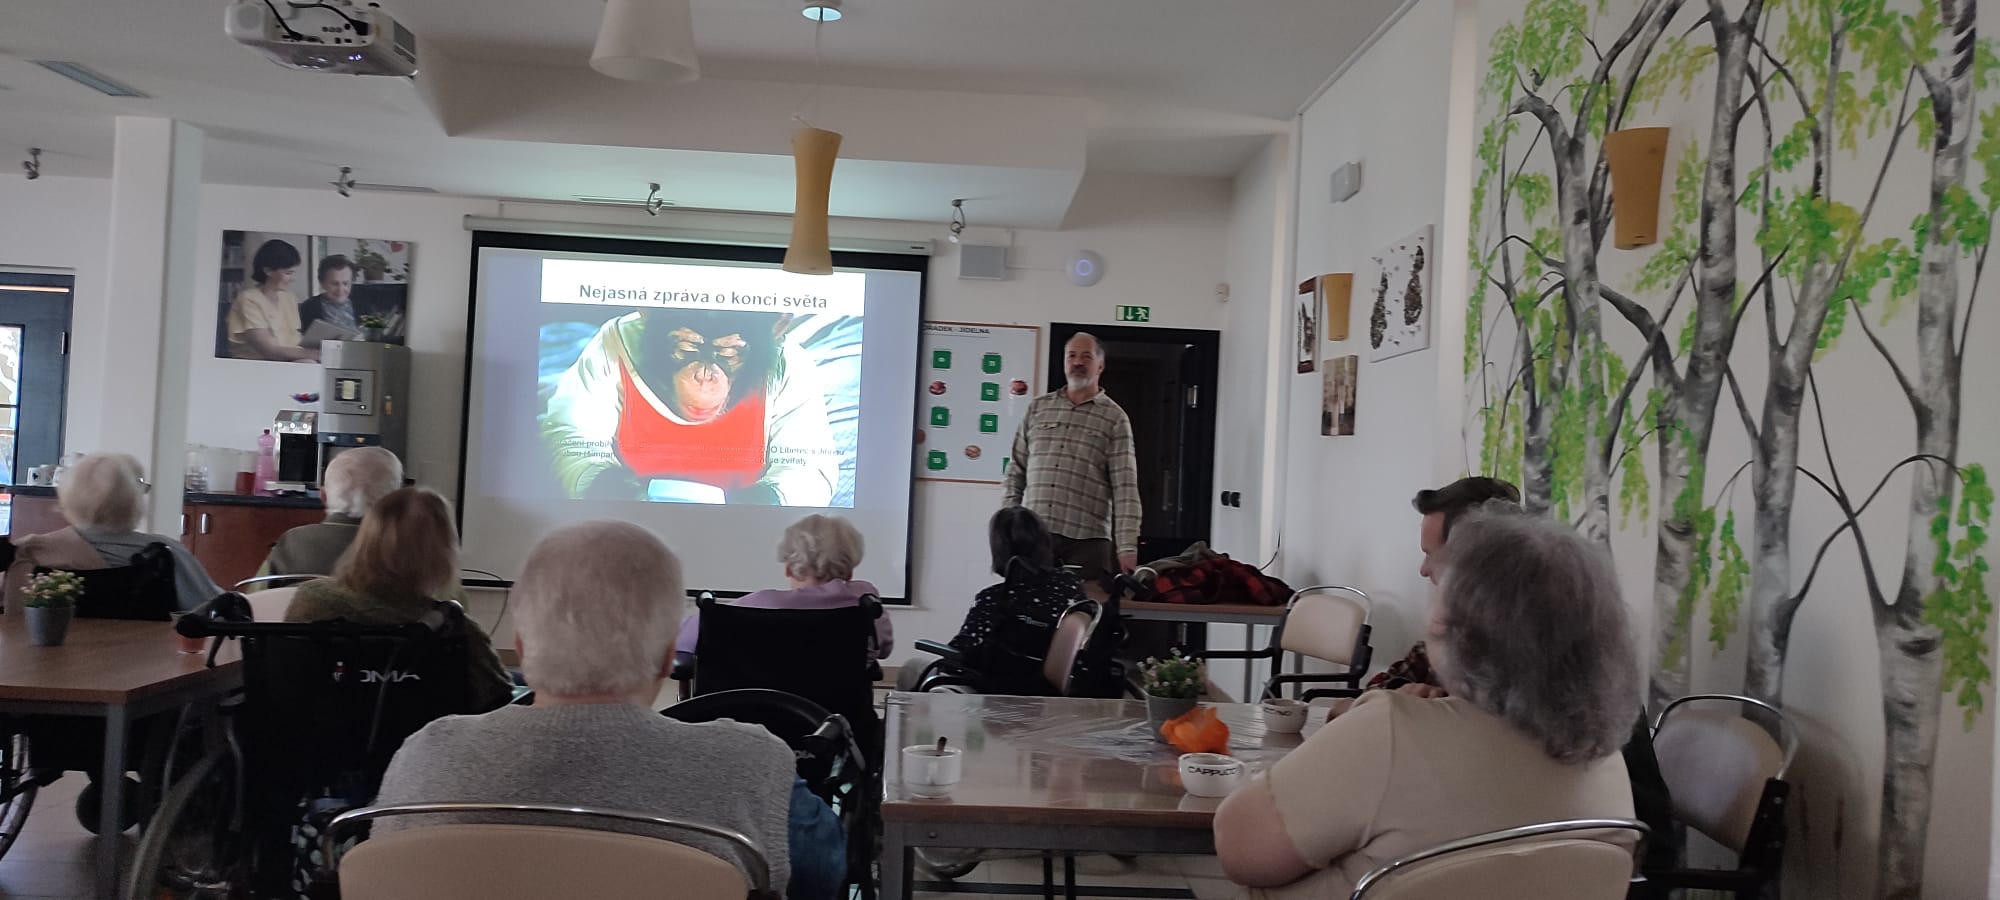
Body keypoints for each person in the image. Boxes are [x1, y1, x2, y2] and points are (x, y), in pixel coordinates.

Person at [372, 521, 846, 900]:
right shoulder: (750, 763)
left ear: (522, 646)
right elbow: (823, 876)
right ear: (666, 657)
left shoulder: (426, 757)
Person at [1213, 511, 1641, 898]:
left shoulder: (1390, 729)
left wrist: (1357, 725)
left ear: (1450, 626)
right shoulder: (1604, 754)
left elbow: (1239, 851)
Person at [1323, 475, 1680, 890]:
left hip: (1601, 878)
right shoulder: (1469, 643)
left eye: (1433, 556)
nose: (1424, 570)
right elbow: (1362, 706)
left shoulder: (1553, 669)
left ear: (1477, 561)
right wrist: (1410, 708)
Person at [542, 308, 838, 505]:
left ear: (777, 329)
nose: (705, 376)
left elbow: (808, 470)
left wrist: (744, 510)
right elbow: (571, 437)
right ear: (646, 318)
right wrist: (622, 496)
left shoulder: (785, 362)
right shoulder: (620, 341)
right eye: (686, 349)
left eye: (728, 354)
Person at [282, 487, 512, 713]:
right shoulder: (455, 630)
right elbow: (499, 703)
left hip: (319, 735)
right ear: (442, 554)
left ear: (365, 541)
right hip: (428, 738)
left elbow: (283, 682)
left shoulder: (312, 600)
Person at [899, 506, 1088, 694]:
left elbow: (962, 650)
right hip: (1043, 689)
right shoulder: (1071, 588)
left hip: (993, 689)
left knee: (912, 668)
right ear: (1045, 543)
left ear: (999, 550)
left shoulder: (994, 599)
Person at [4, 452, 222, 612]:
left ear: (68, 498)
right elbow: (213, 609)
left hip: (48, 658)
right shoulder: (164, 552)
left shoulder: (30, 552)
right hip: (145, 658)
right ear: (133, 501)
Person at [1002, 332, 1141, 581]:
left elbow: (1125, 488)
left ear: (1100, 365)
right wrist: (1008, 526)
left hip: (1087, 542)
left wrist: (1127, 547)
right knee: (1028, 604)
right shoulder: (1038, 408)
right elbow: (1016, 470)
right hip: (1035, 536)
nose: (1077, 362)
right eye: (1071, 356)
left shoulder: (1115, 418)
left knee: (1084, 604)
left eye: (1086, 356)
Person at [674, 513, 891, 661]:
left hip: (753, 712)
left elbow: (681, 639)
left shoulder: (758, 605)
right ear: (850, 570)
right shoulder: (865, 602)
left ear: (788, 568)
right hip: (840, 712)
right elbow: (883, 648)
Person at [255, 446, 402, 580]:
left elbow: (254, 597)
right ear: (397, 501)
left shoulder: (292, 542)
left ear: (323, 497)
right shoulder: (405, 551)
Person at [226, 238, 318, 362]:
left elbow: (295, 340)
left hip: (289, 360)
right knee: (309, 363)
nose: (293, 279)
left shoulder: (289, 298)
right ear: (268, 271)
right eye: (288, 273)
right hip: (260, 364)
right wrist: (314, 355)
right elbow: (269, 351)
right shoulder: (248, 300)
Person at [297, 254, 362, 345]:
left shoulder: (364, 304)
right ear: (322, 283)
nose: (340, 289)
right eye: (335, 284)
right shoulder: (307, 308)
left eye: (345, 283)